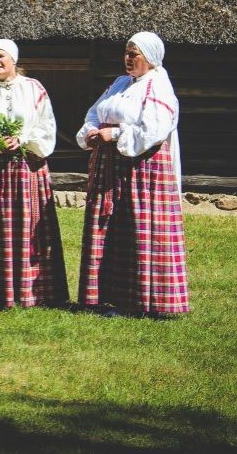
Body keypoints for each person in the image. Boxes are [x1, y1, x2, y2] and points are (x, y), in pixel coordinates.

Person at [76, 31, 189, 317]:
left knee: (140, 231)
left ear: (150, 58)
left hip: (143, 169)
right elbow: (94, 112)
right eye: (126, 52)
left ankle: (147, 302)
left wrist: (114, 133)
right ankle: (108, 297)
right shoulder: (120, 83)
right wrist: (91, 131)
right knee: (109, 227)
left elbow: (153, 130)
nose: (128, 58)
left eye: (134, 53)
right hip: (111, 167)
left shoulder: (158, 86)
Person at [0, 39, 69, 308]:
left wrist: (22, 138)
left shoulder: (34, 89)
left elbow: (47, 126)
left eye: (1, 57)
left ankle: (34, 292)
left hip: (26, 168)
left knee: (30, 227)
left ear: (13, 60)